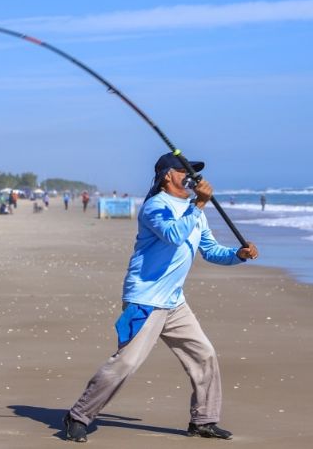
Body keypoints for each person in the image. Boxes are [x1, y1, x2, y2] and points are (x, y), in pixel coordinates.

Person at [63, 153, 259, 442]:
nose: (192, 176)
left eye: (194, 171)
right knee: (126, 363)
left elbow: (211, 250)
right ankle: (77, 416)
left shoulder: (196, 212)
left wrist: (237, 255)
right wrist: (200, 204)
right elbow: (173, 235)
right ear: (168, 175)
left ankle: (203, 421)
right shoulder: (156, 206)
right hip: (145, 298)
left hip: (174, 302)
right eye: (185, 170)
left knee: (204, 355)